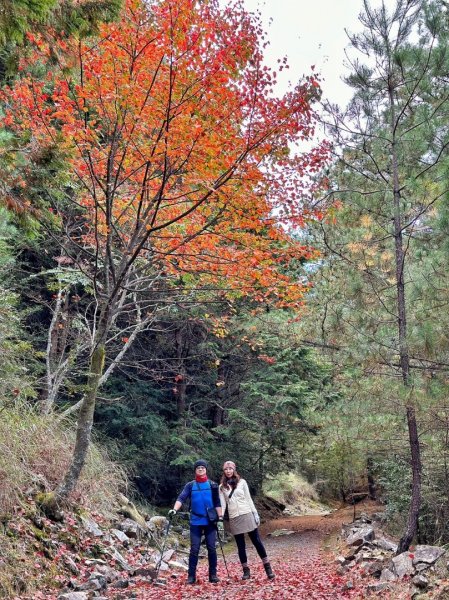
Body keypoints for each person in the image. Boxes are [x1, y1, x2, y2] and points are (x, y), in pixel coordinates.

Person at [169, 459, 222, 585]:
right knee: (194, 549)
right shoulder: (190, 485)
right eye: (198, 468)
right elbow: (181, 498)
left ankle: (213, 575)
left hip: (210, 521)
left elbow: (217, 502)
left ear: (206, 469)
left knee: (211, 548)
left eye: (202, 467)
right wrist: (174, 510)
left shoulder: (213, 485)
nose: (200, 469)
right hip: (195, 521)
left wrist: (220, 518)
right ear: (195, 470)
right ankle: (191, 576)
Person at [219, 460, 275, 580]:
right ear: (224, 471)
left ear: (234, 469)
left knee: (256, 541)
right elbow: (223, 504)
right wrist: (220, 518)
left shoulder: (242, 482)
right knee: (240, 546)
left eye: (230, 469)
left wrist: (255, 513)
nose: (228, 471)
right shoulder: (222, 487)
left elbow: (248, 499)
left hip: (247, 513)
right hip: (234, 517)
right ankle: (246, 571)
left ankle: (268, 568)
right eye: (226, 469)